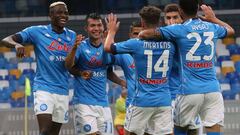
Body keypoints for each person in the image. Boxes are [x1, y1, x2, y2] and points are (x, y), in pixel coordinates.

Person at [138, 0, 235, 135]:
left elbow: (144, 34)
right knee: (213, 128)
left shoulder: (178, 29)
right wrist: (213, 19)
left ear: (181, 11)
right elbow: (231, 31)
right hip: (213, 89)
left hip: (189, 90)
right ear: (197, 8)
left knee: (179, 127)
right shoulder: (211, 27)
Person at [1, 2, 76, 135]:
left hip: (63, 90)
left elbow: (71, 65)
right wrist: (17, 45)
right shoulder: (37, 31)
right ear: (50, 15)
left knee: (54, 133)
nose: (64, 15)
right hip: (44, 88)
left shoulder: (72, 36)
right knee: (45, 130)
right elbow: (6, 39)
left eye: (65, 12)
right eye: (59, 12)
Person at [104, 6, 176, 135]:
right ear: (159, 22)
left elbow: (108, 47)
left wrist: (111, 31)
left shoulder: (136, 44)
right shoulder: (171, 44)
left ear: (142, 23)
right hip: (164, 99)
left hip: (142, 100)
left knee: (130, 133)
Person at [65, 13, 124, 135]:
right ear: (86, 28)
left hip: (103, 104)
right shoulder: (81, 46)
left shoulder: (107, 47)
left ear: (103, 27)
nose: (96, 29)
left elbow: (108, 72)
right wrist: (74, 48)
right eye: (92, 25)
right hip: (83, 103)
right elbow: (68, 66)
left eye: (99, 25)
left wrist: (123, 82)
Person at [164, 4, 202, 135]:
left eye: (175, 17)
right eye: (168, 18)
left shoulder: (191, 41)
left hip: (188, 94)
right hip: (167, 97)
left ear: (182, 18)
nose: (171, 21)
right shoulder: (161, 39)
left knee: (193, 131)